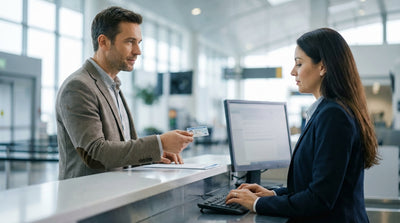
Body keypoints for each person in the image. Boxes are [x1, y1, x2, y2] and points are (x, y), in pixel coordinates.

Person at [226, 28, 379, 222]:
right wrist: (273, 194)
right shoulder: (328, 110)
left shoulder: (333, 115)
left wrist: (256, 204)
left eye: (299, 63)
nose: (292, 71)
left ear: (323, 67)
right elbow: (316, 185)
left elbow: (320, 199)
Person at [56, 6, 193, 180]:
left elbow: (120, 149)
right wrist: (160, 142)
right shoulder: (78, 86)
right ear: (103, 42)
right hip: (87, 200)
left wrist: (153, 155)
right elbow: (94, 154)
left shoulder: (113, 86)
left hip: (115, 194)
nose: (138, 51)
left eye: (138, 42)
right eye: (130, 42)